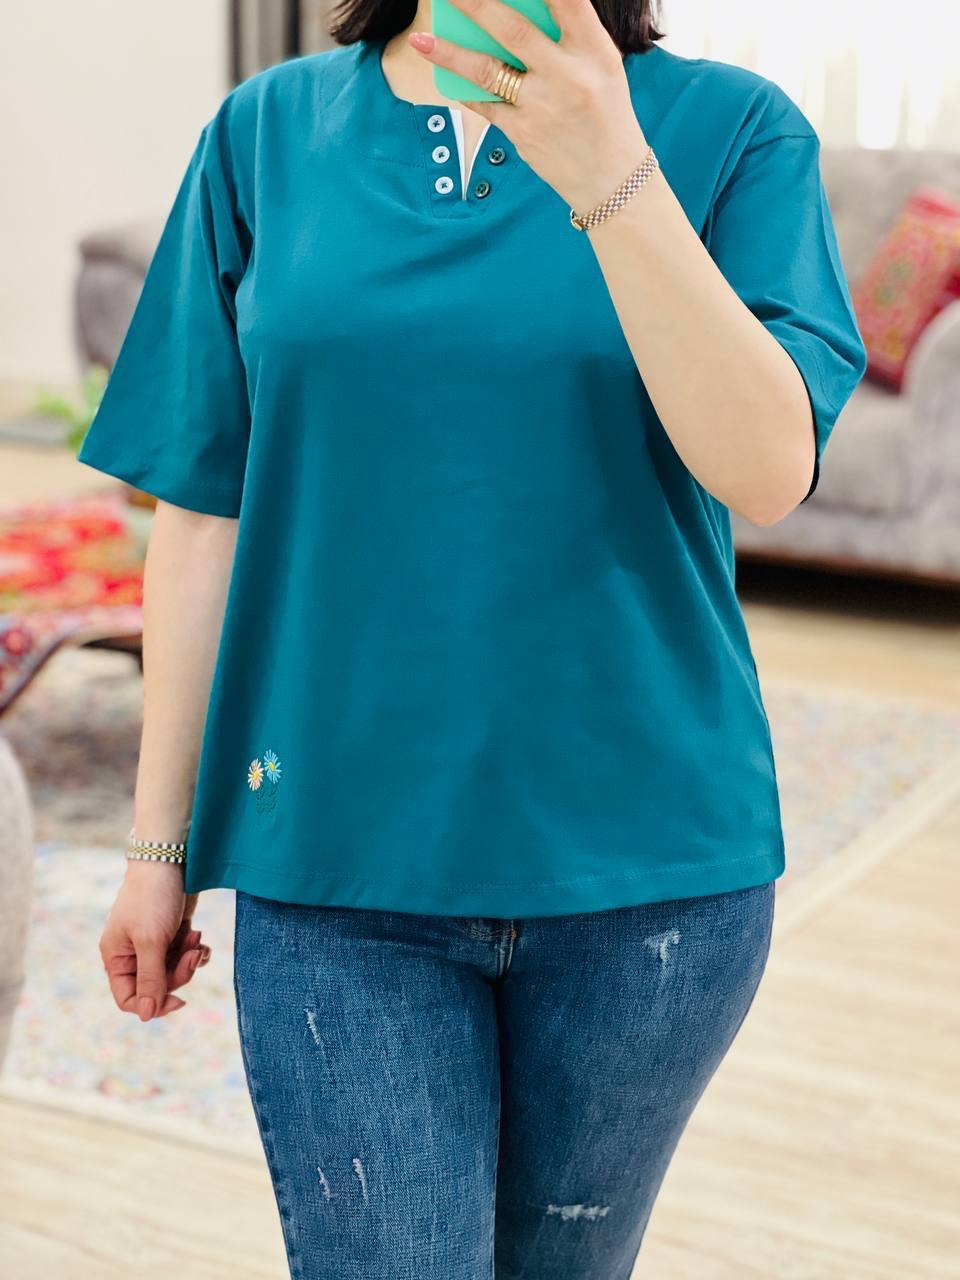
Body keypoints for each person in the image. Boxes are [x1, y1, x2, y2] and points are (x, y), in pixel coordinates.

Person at [80, 0, 867, 1275]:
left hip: (646, 879)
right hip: (334, 863)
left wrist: (612, 172)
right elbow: (203, 510)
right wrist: (158, 844)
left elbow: (768, 470)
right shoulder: (264, 133)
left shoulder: (736, 132)